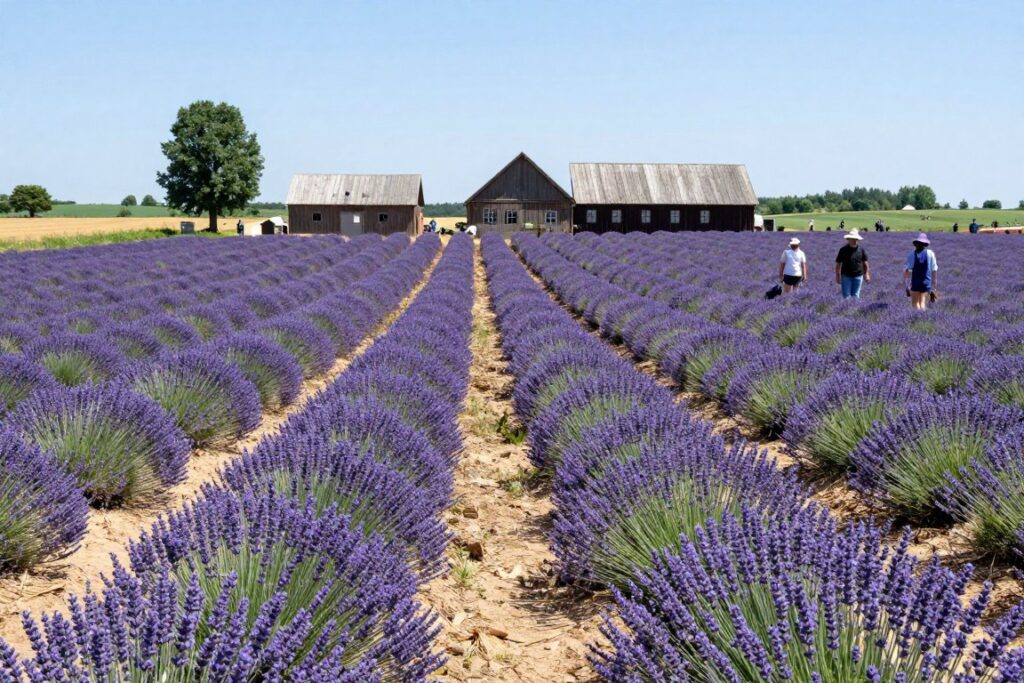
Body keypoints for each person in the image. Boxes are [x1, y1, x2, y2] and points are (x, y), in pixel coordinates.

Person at [904, 232, 938, 310]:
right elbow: (934, 270)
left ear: (916, 244)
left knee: (915, 303)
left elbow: (907, 271)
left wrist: (907, 286)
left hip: (915, 283)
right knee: (922, 303)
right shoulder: (930, 254)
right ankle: (922, 315)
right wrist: (934, 287)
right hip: (926, 283)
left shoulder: (911, 254)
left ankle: (917, 316)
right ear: (925, 244)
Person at [834, 229, 870, 299]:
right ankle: (847, 307)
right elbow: (838, 264)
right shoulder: (843, 250)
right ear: (848, 239)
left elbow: (865, 263)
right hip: (846, 276)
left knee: (856, 296)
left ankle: (854, 306)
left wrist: (866, 274)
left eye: (856, 239)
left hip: (858, 276)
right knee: (846, 296)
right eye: (852, 239)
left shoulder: (861, 250)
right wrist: (838, 276)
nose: (854, 240)